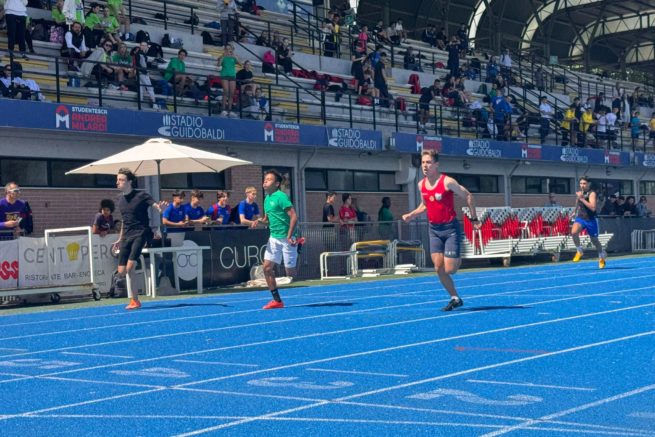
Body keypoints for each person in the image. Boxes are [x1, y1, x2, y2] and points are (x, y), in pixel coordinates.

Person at [402, 150, 480, 311]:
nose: (425, 166)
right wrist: (411, 215)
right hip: (434, 230)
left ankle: (456, 254)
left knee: (450, 269)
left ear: (436, 164)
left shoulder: (447, 182)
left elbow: (468, 196)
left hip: (450, 228)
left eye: (429, 162)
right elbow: (425, 205)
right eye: (423, 162)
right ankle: (455, 298)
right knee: (438, 267)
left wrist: (474, 219)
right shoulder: (421, 184)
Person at [112, 168, 168, 310]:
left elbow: (155, 206)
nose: (118, 182)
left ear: (130, 182)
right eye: (117, 179)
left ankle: (134, 300)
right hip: (127, 235)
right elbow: (125, 220)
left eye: (121, 180)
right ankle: (135, 299)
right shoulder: (120, 199)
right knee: (121, 271)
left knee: (131, 266)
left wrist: (160, 209)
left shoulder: (142, 195)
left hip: (141, 232)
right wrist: (119, 239)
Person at [259, 169, 299, 309]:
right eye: (265, 179)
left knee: (290, 274)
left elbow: (294, 216)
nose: (265, 182)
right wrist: (259, 221)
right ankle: (277, 300)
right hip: (274, 238)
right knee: (266, 268)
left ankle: (298, 246)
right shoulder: (266, 199)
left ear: (276, 184)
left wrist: (289, 235)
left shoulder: (281, 197)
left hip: (287, 238)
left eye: (269, 179)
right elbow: (267, 220)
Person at [571, 176, 607, 269]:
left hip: (591, 219)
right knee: (574, 232)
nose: (582, 185)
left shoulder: (592, 193)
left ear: (588, 184)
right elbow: (577, 201)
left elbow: (593, 208)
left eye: (584, 183)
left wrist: (582, 199)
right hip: (581, 218)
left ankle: (601, 255)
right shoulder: (580, 193)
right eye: (581, 183)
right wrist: (574, 211)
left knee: (594, 240)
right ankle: (579, 250)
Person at [218, 44, 239, 117]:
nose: (228, 50)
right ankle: (223, 109)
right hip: (224, 75)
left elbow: (240, 63)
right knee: (226, 91)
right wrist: (223, 56)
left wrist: (234, 55)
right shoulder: (222, 56)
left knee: (231, 93)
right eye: (226, 49)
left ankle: (229, 110)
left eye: (229, 49)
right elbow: (218, 64)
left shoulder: (233, 56)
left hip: (232, 75)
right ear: (224, 49)